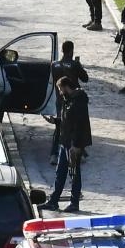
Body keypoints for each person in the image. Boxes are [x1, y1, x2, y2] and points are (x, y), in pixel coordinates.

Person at [38, 77, 91, 213]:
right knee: (60, 173)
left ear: (67, 86)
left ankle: (74, 203)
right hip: (65, 142)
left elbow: (79, 125)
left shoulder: (78, 101)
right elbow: (67, 120)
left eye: (61, 89)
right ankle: (53, 201)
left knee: (74, 173)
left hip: (73, 145)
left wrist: (77, 145)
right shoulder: (69, 101)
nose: (60, 92)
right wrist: (55, 121)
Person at [46, 40, 89, 163]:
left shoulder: (54, 65)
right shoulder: (74, 65)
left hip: (59, 100)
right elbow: (85, 79)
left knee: (60, 126)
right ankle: (78, 151)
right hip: (73, 100)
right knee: (76, 126)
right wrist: (79, 64)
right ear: (71, 51)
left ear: (62, 50)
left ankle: (54, 154)